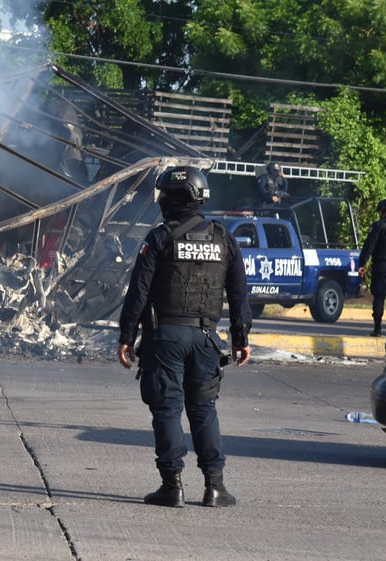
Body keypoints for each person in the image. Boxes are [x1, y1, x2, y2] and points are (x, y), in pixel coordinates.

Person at [118, 166, 252, 508]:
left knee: (166, 408)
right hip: (207, 339)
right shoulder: (224, 238)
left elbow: (138, 292)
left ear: (180, 198)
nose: (161, 200)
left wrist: (126, 336)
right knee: (204, 409)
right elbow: (238, 294)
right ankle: (215, 488)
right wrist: (240, 339)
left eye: (165, 194)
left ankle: (171, 486)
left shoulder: (160, 237)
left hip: (166, 339)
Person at [358, 198, 386, 336]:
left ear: (382, 211)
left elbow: (368, 247)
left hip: (380, 266)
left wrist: (362, 264)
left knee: (379, 296)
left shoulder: (378, 226)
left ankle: (377, 329)